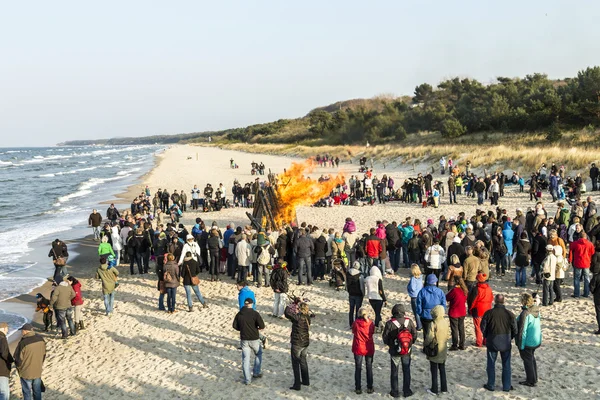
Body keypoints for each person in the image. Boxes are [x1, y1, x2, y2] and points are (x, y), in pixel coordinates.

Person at [481, 294, 518, 392]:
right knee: (506, 364)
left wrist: (486, 336)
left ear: (495, 301)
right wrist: (510, 337)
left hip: (492, 340)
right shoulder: (510, 314)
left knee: (491, 363)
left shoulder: (489, 313)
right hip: (505, 341)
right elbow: (515, 329)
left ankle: (491, 384)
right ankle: (506, 386)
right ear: (504, 301)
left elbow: (483, 327)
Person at [382, 304, 417, 398]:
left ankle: (395, 391)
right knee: (406, 370)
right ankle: (407, 391)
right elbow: (414, 334)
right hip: (407, 350)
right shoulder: (408, 321)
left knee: (394, 371)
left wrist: (391, 344)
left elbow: (385, 338)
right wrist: (409, 343)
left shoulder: (390, 323)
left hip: (395, 351)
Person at [233, 298, 265, 385]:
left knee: (245, 359)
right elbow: (262, 326)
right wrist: (257, 328)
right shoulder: (255, 314)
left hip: (244, 339)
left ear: (244, 304)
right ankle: (256, 372)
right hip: (254, 338)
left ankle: (247, 380)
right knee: (258, 354)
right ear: (252, 304)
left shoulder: (239, 314)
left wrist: (242, 329)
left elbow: (235, 326)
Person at [516, 293, 542, 387]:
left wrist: (521, 345)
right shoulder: (536, 310)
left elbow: (523, 330)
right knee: (531, 358)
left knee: (527, 360)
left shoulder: (525, 313)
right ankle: (534, 377)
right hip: (535, 339)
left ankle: (531, 380)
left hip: (528, 341)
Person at [14, 323, 46, 400]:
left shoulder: (23, 343)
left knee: (27, 392)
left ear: (25, 331)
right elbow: (44, 355)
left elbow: (18, 359)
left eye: (22, 331)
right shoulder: (41, 339)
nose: (21, 332)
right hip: (37, 370)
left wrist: (19, 368)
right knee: (37, 390)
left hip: (26, 372)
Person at [285, 301, 312, 391]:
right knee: (303, 361)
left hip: (297, 343)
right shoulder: (308, 317)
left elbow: (287, 313)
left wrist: (292, 304)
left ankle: (297, 384)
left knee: (295, 363)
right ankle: (305, 380)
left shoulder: (297, 318)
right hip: (305, 343)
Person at [424, 305, 449, 396]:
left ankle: (434, 389)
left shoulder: (433, 323)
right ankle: (444, 388)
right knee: (442, 368)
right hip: (443, 348)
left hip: (435, 348)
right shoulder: (445, 322)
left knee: (434, 369)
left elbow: (429, 337)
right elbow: (447, 335)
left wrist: (425, 344)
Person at [415, 274, 446, 343]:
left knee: (426, 333)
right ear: (435, 282)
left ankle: (426, 348)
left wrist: (420, 313)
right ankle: (434, 347)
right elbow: (443, 304)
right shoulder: (440, 291)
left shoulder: (422, 291)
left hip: (425, 315)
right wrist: (441, 313)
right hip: (437, 315)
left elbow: (419, 304)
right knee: (436, 332)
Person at [352, 307, 375, 394]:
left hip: (358, 346)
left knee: (358, 368)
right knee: (369, 367)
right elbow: (372, 332)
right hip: (368, 347)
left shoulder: (356, 323)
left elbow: (353, 331)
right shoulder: (370, 323)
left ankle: (358, 388)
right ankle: (370, 387)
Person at [467, 273, 493, 347]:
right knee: (486, 326)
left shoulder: (476, 289)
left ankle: (479, 342)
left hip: (478, 310)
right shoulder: (489, 288)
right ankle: (485, 340)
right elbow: (491, 298)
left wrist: (470, 308)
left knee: (478, 327)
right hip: (487, 309)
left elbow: (473, 301)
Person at [569, 232, 595, 298]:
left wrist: (570, 259)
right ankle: (586, 293)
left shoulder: (575, 243)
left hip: (578, 263)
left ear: (579, 237)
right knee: (587, 278)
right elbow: (593, 253)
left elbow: (571, 250)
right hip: (586, 263)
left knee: (577, 278)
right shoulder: (590, 244)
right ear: (586, 237)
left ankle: (576, 294)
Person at [50, 275, 76, 339]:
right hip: (68, 305)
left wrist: (50, 305)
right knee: (70, 319)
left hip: (60, 307)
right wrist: (68, 299)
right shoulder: (69, 286)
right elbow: (74, 294)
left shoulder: (58, 288)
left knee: (62, 321)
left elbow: (53, 298)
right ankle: (73, 332)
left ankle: (65, 335)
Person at [446, 276, 467, 350]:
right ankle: (462, 344)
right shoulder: (464, 290)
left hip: (454, 312)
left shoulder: (454, 290)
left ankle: (455, 345)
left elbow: (447, 297)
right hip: (462, 311)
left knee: (454, 329)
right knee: (461, 328)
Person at [365, 266, 386, 331]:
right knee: (377, 313)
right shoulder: (378, 279)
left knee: (377, 312)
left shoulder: (367, 278)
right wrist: (384, 299)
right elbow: (381, 290)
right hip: (378, 298)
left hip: (371, 298)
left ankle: (379, 323)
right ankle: (377, 325)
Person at [347, 261, 365, 328]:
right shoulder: (360, 275)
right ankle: (357, 324)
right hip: (358, 294)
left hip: (351, 293)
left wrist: (348, 291)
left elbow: (347, 284)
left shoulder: (348, 273)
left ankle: (351, 324)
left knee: (351, 309)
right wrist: (363, 294)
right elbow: (362, 286)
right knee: (358, 310)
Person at [407, 264, 423, 331]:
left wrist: (409, 288)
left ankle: (419, 326)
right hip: (420, 295)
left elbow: (413, 288)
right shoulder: (420, 277)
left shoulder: (413, 278)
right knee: (420, 310)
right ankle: (421, 324)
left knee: (416, 312)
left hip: (414, 296)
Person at [0, 322, 13, 400]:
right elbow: (4, 353)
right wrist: (11, 360)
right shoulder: (2, 338)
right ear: (4, 328)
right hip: (2, 369)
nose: (8, 330)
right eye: (7, 328)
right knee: (4, 392)